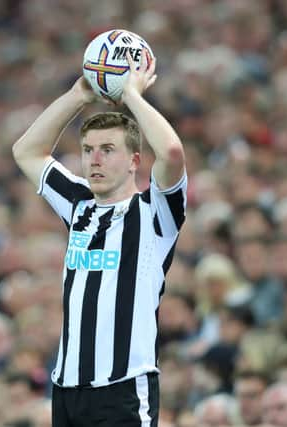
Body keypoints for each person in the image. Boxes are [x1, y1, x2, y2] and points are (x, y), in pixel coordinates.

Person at [12, 48, 187, 427]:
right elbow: (26, 151)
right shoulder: (78, 204)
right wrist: (78, 95)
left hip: (122, 388)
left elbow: (171, 151)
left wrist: (132, 95)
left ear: (134, 161)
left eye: (108, 150)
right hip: (67, 388)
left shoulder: (155, 214)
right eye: (88, 150)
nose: (94, 160)